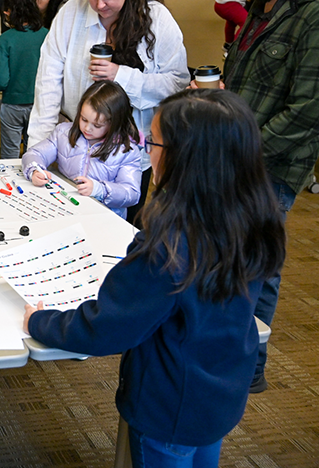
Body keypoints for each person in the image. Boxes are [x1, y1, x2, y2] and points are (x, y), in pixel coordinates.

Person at [24, 88, 286, 468]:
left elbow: (109, 326)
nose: (148, 152)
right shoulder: (252, 220)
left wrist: (40, 322)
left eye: (154, 143)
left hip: (168, 409)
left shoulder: (170, 245)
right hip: (221, 395)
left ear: (184, 157)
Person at [212, 0, 319, 393]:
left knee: (256, 268)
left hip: (271, 166)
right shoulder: (263, 4)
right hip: (237, 155)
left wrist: (244, 149)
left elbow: (307, 110)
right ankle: (230, 356)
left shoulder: (313, 16)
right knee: (237, 259)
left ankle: (248, 368)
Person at [26, 0, 189, 225]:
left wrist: (120, 75)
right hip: (75, 146)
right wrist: (38, 149)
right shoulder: (71, 12)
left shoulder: (157, 18)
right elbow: (48, 83)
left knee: (119, 227)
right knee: (66, 224)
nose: (100, 5)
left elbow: (177, 83)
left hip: (128, 153)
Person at [23, 81, 140, 218]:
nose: (87, 128)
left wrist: (99, 189)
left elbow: (132, 193)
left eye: (97, 125)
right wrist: (35, 170)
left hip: (104, 218)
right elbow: (35, 153)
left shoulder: (127, 151)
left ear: (115, 123)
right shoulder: (64, 133)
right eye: (84, 119)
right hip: (66, 210)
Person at [0, 0, 49, 158]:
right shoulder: (47, 35)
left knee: (10, 153)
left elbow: (1, 80)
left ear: (12, 12)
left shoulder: (5, 39)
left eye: (7, 10)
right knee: (35, 152)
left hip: (13, 104)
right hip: (41, 103)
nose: (5, 13)